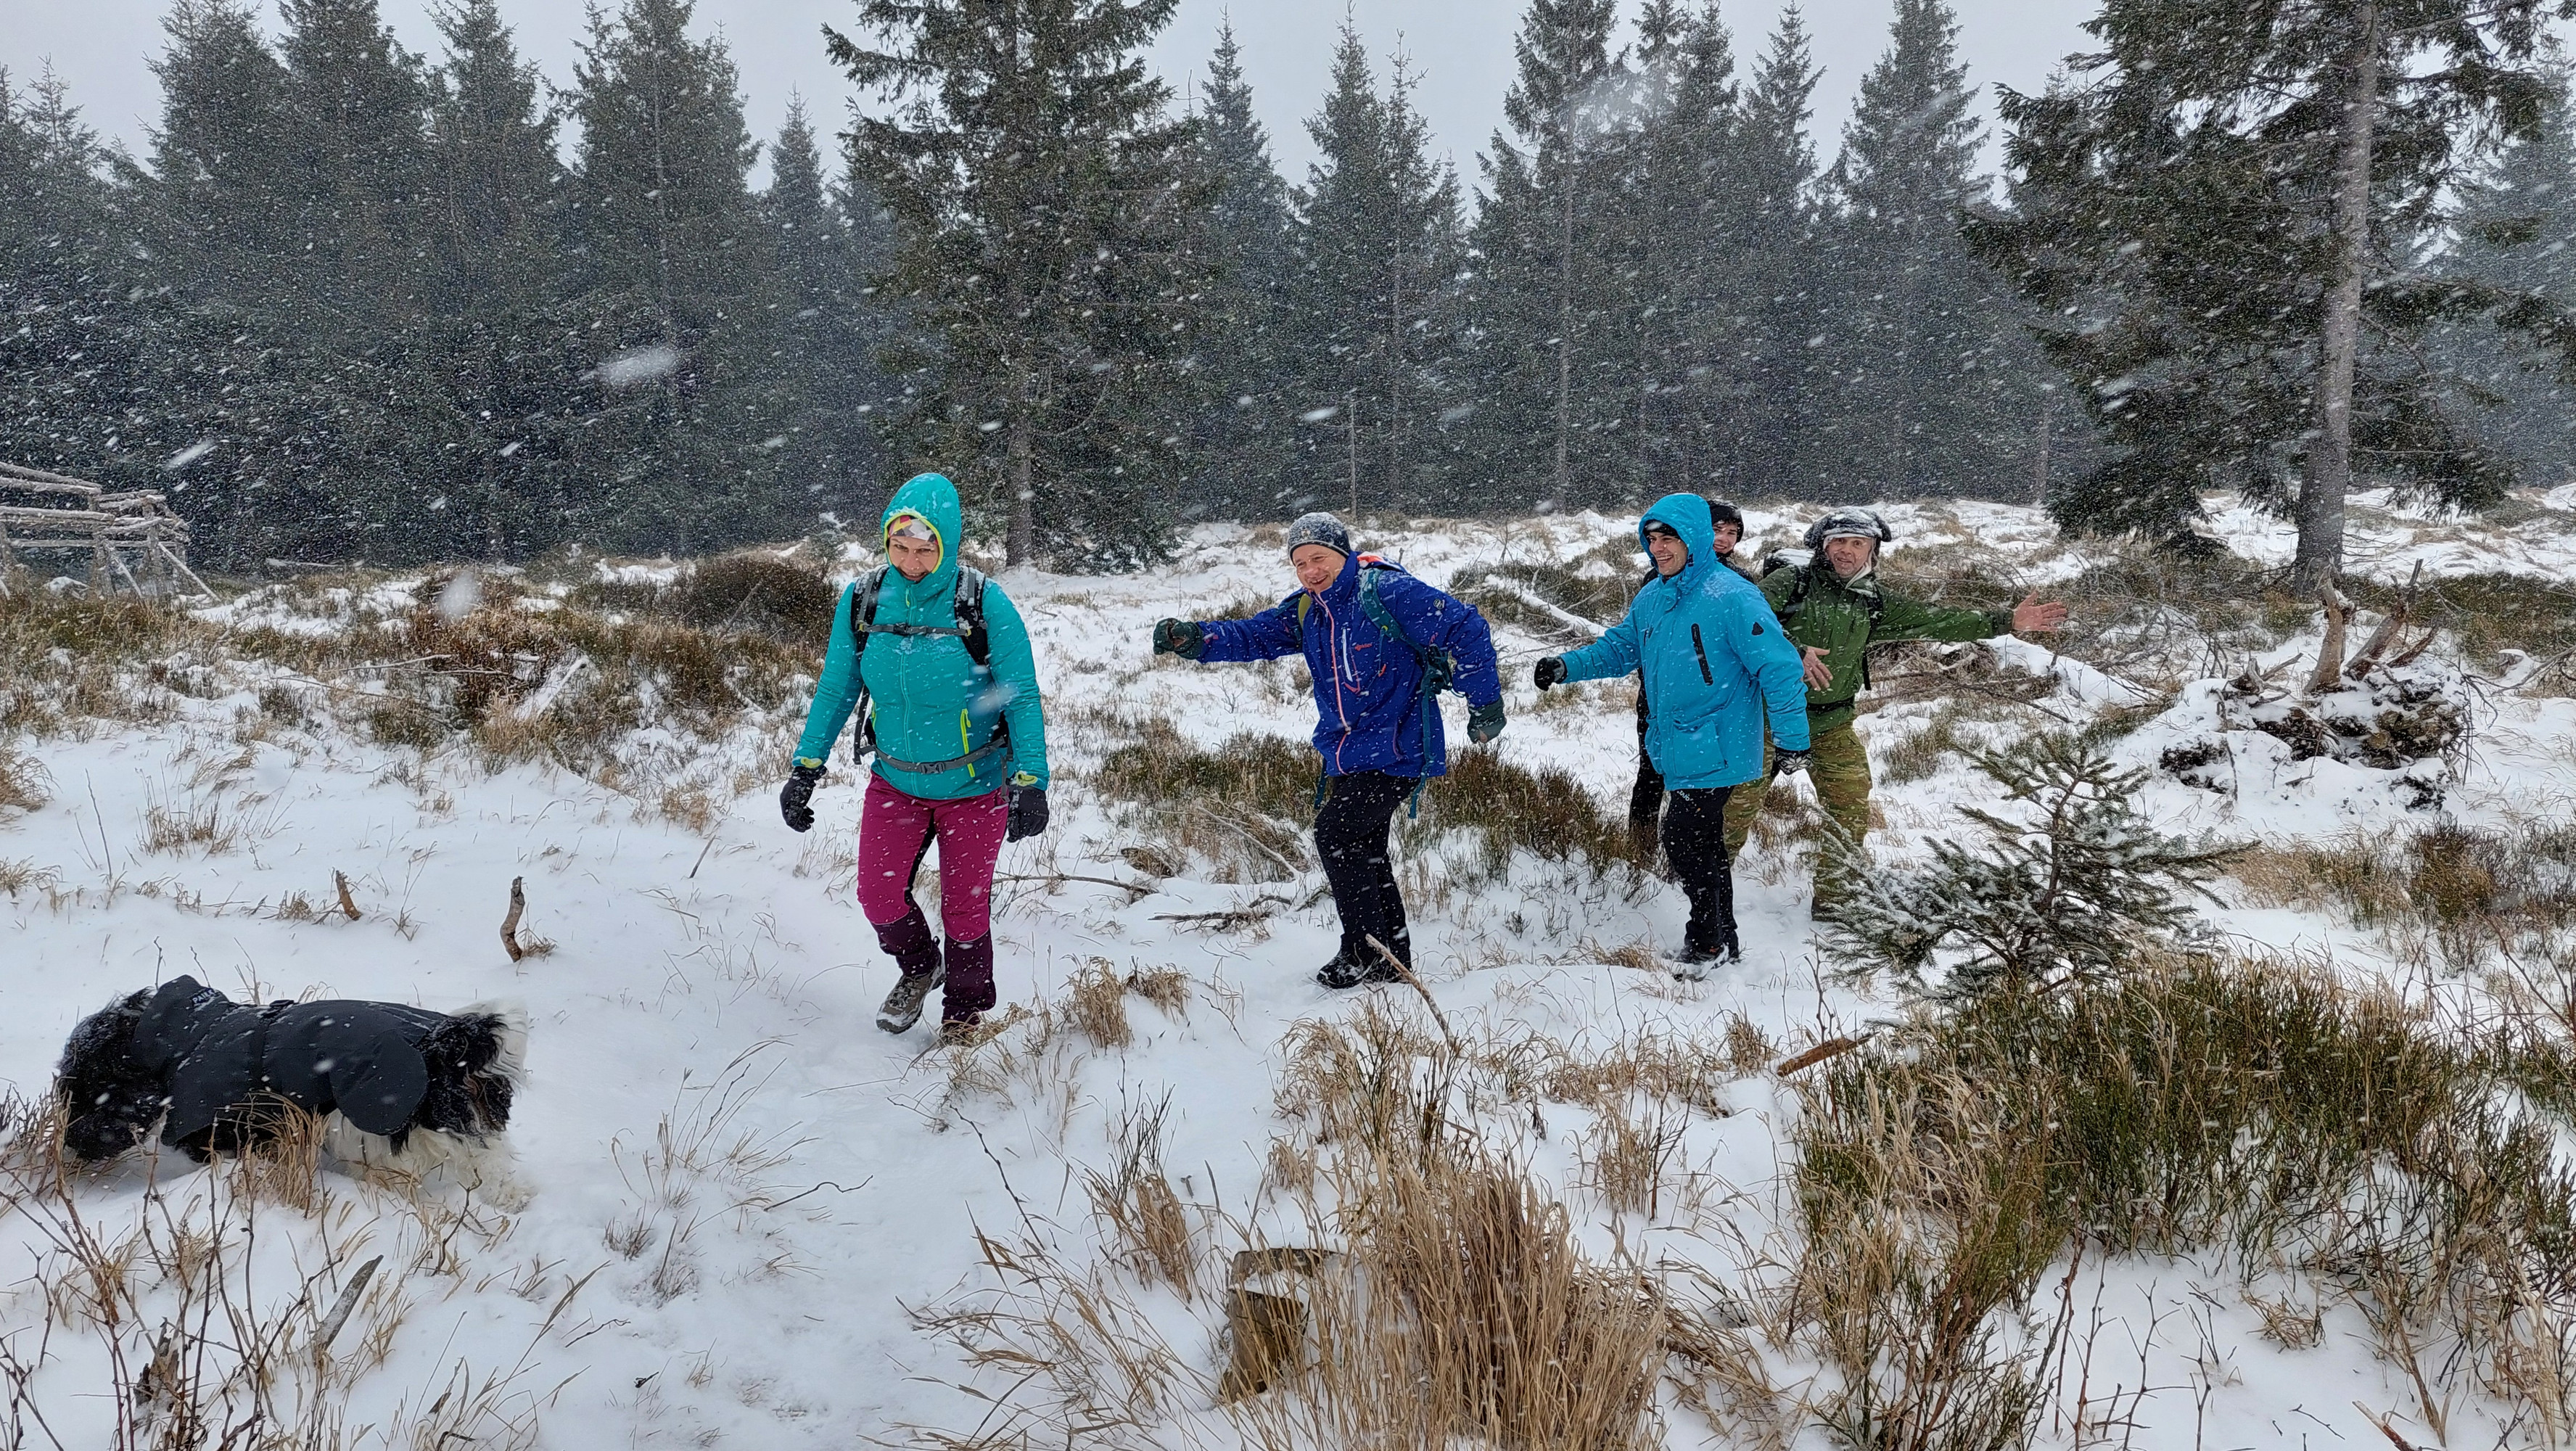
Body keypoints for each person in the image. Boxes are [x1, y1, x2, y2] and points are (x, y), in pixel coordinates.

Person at [1151, 512, 1505, 989]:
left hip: (1399, 745)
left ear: (1343, 554)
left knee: (1335, 833)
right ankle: (1390, 959)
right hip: (1347, 751)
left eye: (1319, 558)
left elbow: (1466, 628)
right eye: (1300, 563)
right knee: (1365, 849)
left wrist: (1484, 703)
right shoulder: (1309, 610)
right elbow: (1254, 635)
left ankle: (1361, 950)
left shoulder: (1387, 593)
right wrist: (1196, 639)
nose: (1311, 571)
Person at [778, 473, 1052, 1042]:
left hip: (975, 785)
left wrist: (1031, 780)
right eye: (899, 547)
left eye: (926, 549)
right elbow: (836, 689)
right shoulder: (863, 600)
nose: (911, 562)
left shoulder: (983, 602)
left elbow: (1020, 695)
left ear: (947, 544)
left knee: (964, 912)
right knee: (877, 897)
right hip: (896, 781)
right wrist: (805, 768)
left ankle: (963, 1016)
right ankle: (921, 966)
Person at [1718, 507, 2070, 907]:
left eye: (1858, 543)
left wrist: (2007, 621)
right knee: (1734, 807)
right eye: (1838, 542)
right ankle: (1701, 885)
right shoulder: (1792, 582)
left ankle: (1836, 901)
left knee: (1849, 808)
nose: (1847, 551)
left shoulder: (1873, 601)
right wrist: (1792, 651)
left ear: (1872, 550)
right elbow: (1743, 619)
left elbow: (1937, 619)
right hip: (1765, 718)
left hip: (1833, 722)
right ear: (1823, 547)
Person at [1534, 496, 1812, 974]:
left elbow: (1779, 667)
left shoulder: (1732, 595)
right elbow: (1620, 649)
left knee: (1683, 838)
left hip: (1719, 741)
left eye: (1669, 538)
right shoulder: (1653, 597)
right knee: (1703, 841)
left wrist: (1793, 739)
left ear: (1695, 539)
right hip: (1677, 741)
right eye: (1652, 538)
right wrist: (1566, 666)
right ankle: (1723, 939)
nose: (1658, 548)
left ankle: (1706, 945)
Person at [1629, 498, 1750, 857]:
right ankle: (1640, 847)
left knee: (1702, 788)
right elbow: (1643, 638)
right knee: (1651, 773)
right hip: (1659, 700)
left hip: (1712, 710)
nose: (1724, 539)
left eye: (1733, 533)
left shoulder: (1739, 584)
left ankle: (1695, 854)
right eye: (1717, 530)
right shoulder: (1661, 578)